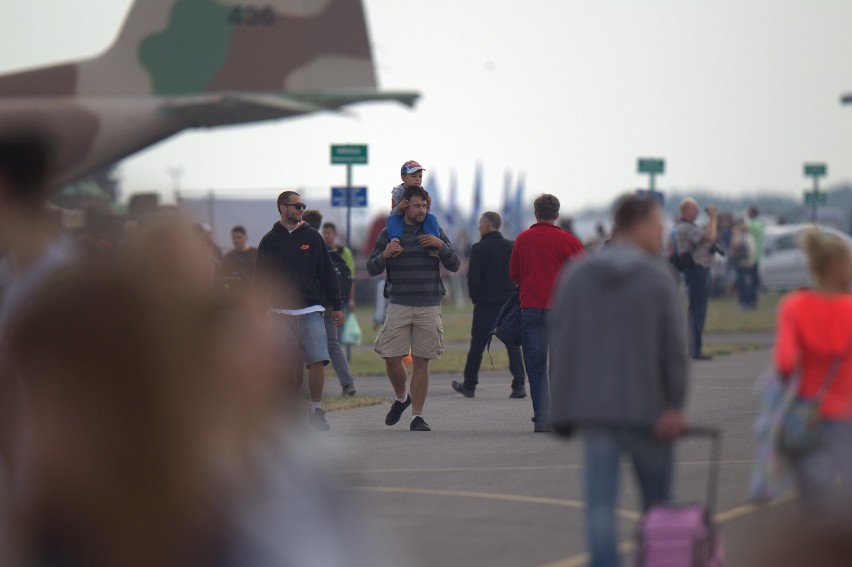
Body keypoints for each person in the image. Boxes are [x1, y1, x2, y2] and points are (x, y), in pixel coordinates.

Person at [549, 194, 689, 567]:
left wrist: (560, 411)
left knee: (599, 506)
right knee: (658, 505)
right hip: (650, 409)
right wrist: (675, 404)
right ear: (638, 224)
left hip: (596, 411)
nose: (662, 230)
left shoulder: (578, 274)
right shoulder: (659, 275)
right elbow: (674, 348)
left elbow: (562, 345)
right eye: (658, 222)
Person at [367, 185, 460, 432]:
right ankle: (402, 397)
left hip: (429, 304)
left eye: (425, 206)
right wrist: (385, 254)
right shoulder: (389, 232)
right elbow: (371, 268)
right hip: (398, 302)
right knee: (389, 356)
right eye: (417, 206)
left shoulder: (434, 230)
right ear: (406, 205)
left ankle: (416, 417)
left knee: (421, 361)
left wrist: (441, 245)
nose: (422, 211)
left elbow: (454, 264)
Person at [775, 230, 852, 520]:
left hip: (809, 417)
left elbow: (785, 363)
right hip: (848, 417)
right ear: (834, 265)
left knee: (814, 503)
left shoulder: (794, 305)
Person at [254, 192, 343, 431]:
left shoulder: (312, 237)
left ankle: (316, 409)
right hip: (281, 313)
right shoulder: (269, 240)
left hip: (312, 308)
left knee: (317, 360)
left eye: (303, 205)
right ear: (283, 208)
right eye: (297, 205)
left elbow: (327, 272)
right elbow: (261, 280)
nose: (302, 209)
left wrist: (337, 304)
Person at [510, 194, 585, 432]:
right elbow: (583, 273)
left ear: (535, 213)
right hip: (562, 310)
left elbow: (514, 274)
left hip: (531, 308)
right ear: (557, 214)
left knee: (535, 365)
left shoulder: (523, 239)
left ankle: (542, 417)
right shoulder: (569, 240)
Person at [452, 212, 526, 399]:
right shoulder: (511, 246)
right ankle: (519, 385)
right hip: (508, 302)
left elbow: (474, 279)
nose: (478, 226)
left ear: (486, 224)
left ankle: (469, 385)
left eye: (480, 223)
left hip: (485, 304)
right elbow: (518, 273)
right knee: (512, 344)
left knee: (477, 346)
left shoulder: (478, 249)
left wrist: (475, 298)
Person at [302, 210, 357, 397]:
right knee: (333, 345)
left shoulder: (306, 244)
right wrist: (338, 304)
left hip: (310, 306)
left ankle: (302, 389)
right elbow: (343, 278)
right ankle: (348, 384)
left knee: (303, 346)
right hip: (329, 303)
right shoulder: (332, 250)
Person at [675, 198, 718, 361]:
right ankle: (694, 349)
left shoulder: (692, 226)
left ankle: (696, 348)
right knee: (696, 311)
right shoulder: (685, 228)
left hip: (701, 270)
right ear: (686, 211)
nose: (698, 212)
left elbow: (711, 237)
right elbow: (709, 236)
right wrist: (713, 217)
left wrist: (712, 220)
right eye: (695, 209)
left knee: (699, 310)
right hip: (696, 271)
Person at [388, 160, 441, 258]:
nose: (418, 179)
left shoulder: (423, 191)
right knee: (392, 220)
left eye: (420, 176)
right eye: (414, 176)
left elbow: (425, 211)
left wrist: (428, 204)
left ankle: (433, 245)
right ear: (403, 177)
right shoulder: (398, 192)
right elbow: (393, 213)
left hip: (417, 219)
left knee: (431, 217)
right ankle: (395, 242)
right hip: (401, 218)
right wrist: (400, 207)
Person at [321, 222, 356, 314]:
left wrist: (351, 299)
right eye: (324, 233)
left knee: (341, 325)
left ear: (335, 234)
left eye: (328, 233)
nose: (326, 236)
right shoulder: (321, 250)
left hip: (343, 297)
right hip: (325, 298)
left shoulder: (344, 252)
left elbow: (350, 277)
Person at [729, 219, 757, 310]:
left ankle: (745, 302)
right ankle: (750, 301)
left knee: (743, 284)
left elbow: (734, 247)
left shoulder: (742, 238)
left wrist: (735, 236)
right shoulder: (750, 238)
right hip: (748, 263)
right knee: (747, 283)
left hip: (742, 263)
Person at [748, 205, 765, 305]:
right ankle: (754, 299)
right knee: (755, 279)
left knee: (750, 280)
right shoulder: (760, 224)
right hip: (758, 255)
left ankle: (751, 300)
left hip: (751, 256)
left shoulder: (751, 225)